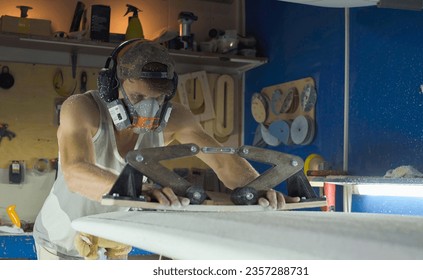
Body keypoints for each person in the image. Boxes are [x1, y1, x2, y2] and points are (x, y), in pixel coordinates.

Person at [33, 39, 300, 260]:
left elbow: (222, 161)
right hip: (59, 241)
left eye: (157, 100)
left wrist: (256, 187)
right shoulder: (82, 108)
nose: (147, 110)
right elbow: (75, 173)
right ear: (112, 87)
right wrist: (140, 189)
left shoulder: (175, 118)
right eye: (137, 98)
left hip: (112, 243)